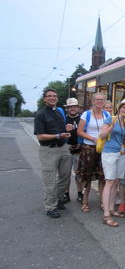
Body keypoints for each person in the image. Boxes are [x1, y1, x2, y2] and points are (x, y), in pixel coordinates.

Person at [34, 88, 71, 218]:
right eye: (49, 96)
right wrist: (58, 135)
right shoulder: (41, 114)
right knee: (50, 181)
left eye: (54, 96)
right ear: (44, 99)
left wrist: (66, 129)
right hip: (48, 151)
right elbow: (40, 136)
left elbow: (61, 131)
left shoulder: (59, 113)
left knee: (65, 177)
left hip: (63, 148)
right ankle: (50, 207)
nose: (52, 98)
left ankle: (58, 199)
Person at [99, 98, 125, 227]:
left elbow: (123, 140)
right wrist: (110, 128)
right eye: (124, 107)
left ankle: (112, 209)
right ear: (119, 108)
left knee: (116, 181)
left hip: (120, 153)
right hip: (109, 153)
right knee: (109, 182)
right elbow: (101, 135)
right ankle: (106, 215)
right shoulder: (110, 119)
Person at [76, 93, 110, 212]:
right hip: (89, 148)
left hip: (103, 149)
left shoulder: (107, 114)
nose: (99, 101)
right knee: (87, 176)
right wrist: (93, 139)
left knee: (102, 176)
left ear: (104, 102)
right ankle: (85, 201)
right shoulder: (86, 114)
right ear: (93, 101)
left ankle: (102, 201)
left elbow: (109, 130)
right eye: (97, 99)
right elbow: (79, 131)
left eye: (102, 100)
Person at [63, 98, 83, 204]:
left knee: (78, 173)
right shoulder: (63, 119)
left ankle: (80, 193)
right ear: (67, 109)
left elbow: (85, 132)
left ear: (78, 108)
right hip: (67, 148)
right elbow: (59, 134)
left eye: (74, 106)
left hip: (79, 149)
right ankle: (66, 194)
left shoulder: (82, 119)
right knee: (65, 173)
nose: (72, 108)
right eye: (70, 107)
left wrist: (80, 144)